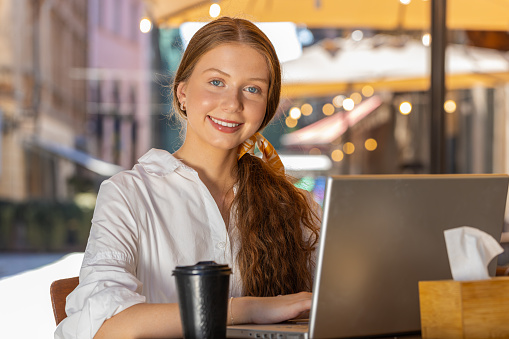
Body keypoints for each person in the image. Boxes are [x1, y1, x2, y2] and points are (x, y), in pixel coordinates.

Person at [55, 16, 320, 339]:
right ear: (182, 92)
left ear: (265, 108)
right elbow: (104, 328)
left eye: (252, 89)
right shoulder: (128, 195)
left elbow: (336, 301)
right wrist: (249, 308)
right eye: (216, 82)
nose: (232, 103)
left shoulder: (296, 205)